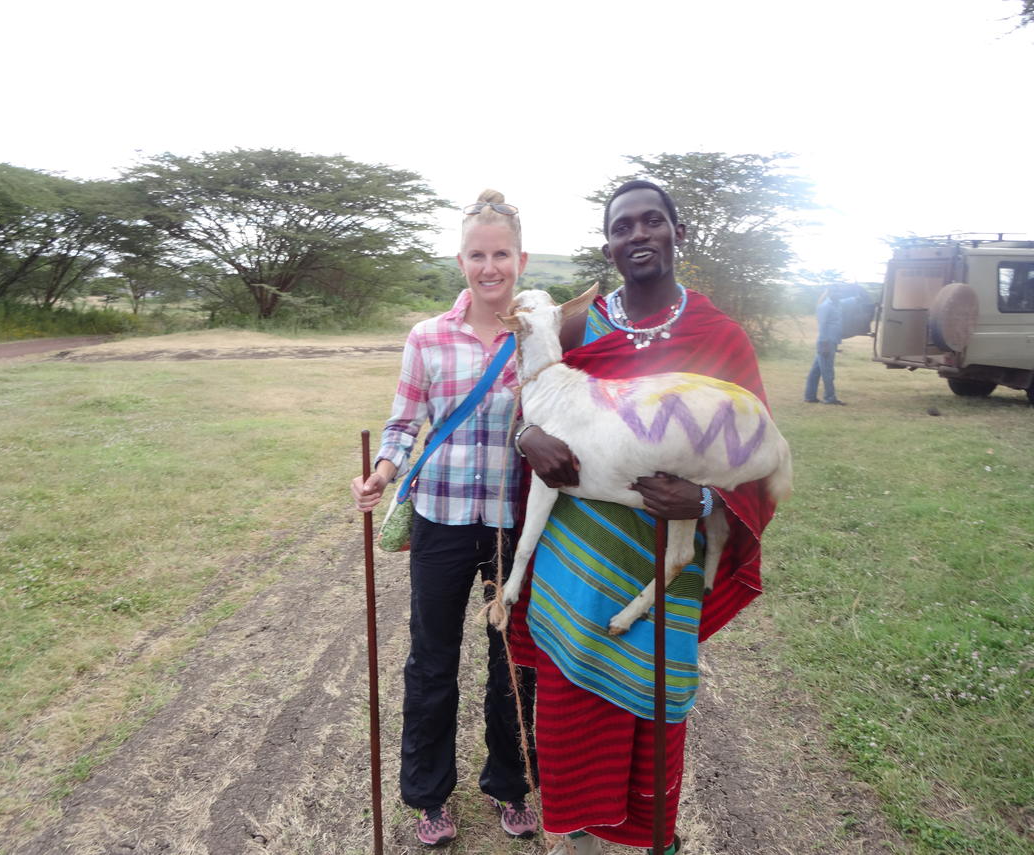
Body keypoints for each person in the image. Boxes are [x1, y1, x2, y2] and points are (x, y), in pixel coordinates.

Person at [508, 180, 780, 855]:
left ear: (676, 233)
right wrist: (525, 439)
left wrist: (708, 501)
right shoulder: (578, 326)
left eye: (652, 221)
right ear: (609, 244)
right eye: (623, 225)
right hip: (573, 565)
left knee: (651, 715)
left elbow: (758, 460)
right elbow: (530, 399)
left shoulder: (718, 338)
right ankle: (576, 840)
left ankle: (646, 839)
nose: (638, 234)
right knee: (569, 713)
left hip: (662, 566)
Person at [350, 190, 537, 847]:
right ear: (461, 259)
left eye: (502, 254)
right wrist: (381, 473)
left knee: (516, 662)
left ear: (521, 257)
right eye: (477, 255)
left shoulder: (538, 337)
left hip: (515, 524)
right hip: (441, 519)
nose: (490, 267)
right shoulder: (427, 336)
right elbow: (403, 426)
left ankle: (510, 787)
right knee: (432, 662)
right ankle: (429, 796)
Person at [803, 284, 848, 405]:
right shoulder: (825, 306)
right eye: (835, 291)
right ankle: (830, 398)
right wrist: (824, 344)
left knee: (816, 371)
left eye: (840, 291)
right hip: (826, 342)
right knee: (828, 371)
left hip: (832, 341)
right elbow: (822, 326)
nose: (839, 294)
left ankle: (809, 396)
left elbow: (846, 301)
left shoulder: (837, 304)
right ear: (829, 292)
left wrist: (856, 298)